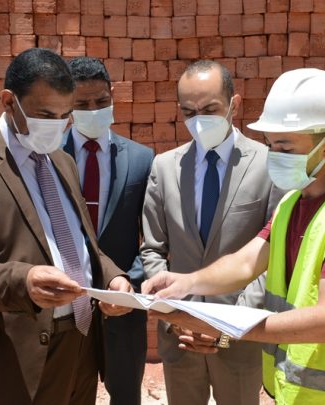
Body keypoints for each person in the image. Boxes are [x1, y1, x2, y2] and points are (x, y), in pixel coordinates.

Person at [142, 68, 325, 404]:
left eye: (285, 148)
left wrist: (224, 327)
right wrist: (185, 283)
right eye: (271, 145)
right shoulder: (292, 204)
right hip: (299, 392)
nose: (274, 156)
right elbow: (245, 264)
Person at [0, 48, 132, 405]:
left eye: (65, 116)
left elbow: (79, 242)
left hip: (81, 345)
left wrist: (111, 277)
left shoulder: (62, 161)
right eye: (45, 115)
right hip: (11, 357)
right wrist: (23, 282)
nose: (57, 125)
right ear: (9, 101)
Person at [140, 60, 275, 405]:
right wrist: (177, 315)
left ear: (235, 104)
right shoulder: (164, 168)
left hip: (240, 339)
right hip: (180, 337)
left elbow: (273, 255)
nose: (199, 119)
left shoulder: (267, 165)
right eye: (189, 111)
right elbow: (153, 249)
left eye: (210, 109)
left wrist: (227, 325)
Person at [62, 56, 154, 405]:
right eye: (82, 104)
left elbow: (153, 239)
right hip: (66, 305)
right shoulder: (48, 157)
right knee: (67, 392)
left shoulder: (141, 160)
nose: (93, 111)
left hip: (123, 307)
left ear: (112, 95)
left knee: (126, 395)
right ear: (67, 103)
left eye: (101, 101)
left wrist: (129, 284)